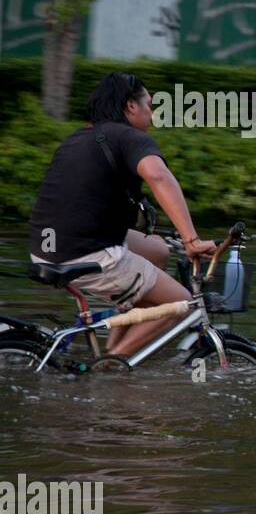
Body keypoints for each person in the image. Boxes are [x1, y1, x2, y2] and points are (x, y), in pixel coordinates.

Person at [28, 72, 216, 359]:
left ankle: (117, 338)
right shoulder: (128, 137)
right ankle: (113, 362)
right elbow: (159, 177)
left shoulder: (78, 139)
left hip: (46, 249)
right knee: (182, 303)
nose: (151, 116)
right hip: (84, 254)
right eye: (149, 106)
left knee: (157, 250)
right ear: (131, 106)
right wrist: (191, 240)